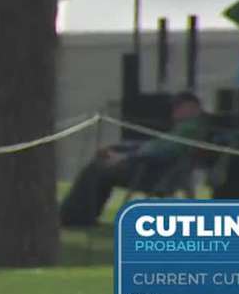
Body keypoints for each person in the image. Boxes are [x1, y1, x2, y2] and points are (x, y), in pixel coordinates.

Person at [59, 91, 209, 226]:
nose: (174, 110)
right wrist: (119, 149)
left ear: (192, 107)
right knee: (101, 168)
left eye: (179, 106)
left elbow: (161, 151)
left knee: (96, 170)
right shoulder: (187, 128)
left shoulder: (189, 129)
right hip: (152, 168)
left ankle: (74, 217)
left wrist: (124, 156)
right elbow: (154, 145)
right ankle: (82, 216)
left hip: (153, 174)